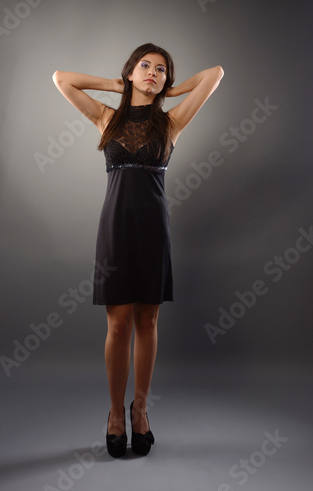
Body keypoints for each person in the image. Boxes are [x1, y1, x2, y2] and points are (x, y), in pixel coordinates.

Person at [52, 43, 224, 458]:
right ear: (130, 73)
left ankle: (140, 410)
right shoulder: (107, 117)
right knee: (117, 326)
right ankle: (115, 413)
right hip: (115, 228)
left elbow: (215, 73)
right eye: (144, 66)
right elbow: (62, 79)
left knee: (147, 321)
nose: (152, 72)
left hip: (152, 231)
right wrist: (115, 83)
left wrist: (171, 90)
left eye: (160, 69)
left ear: (166, 79)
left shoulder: (172, 122)